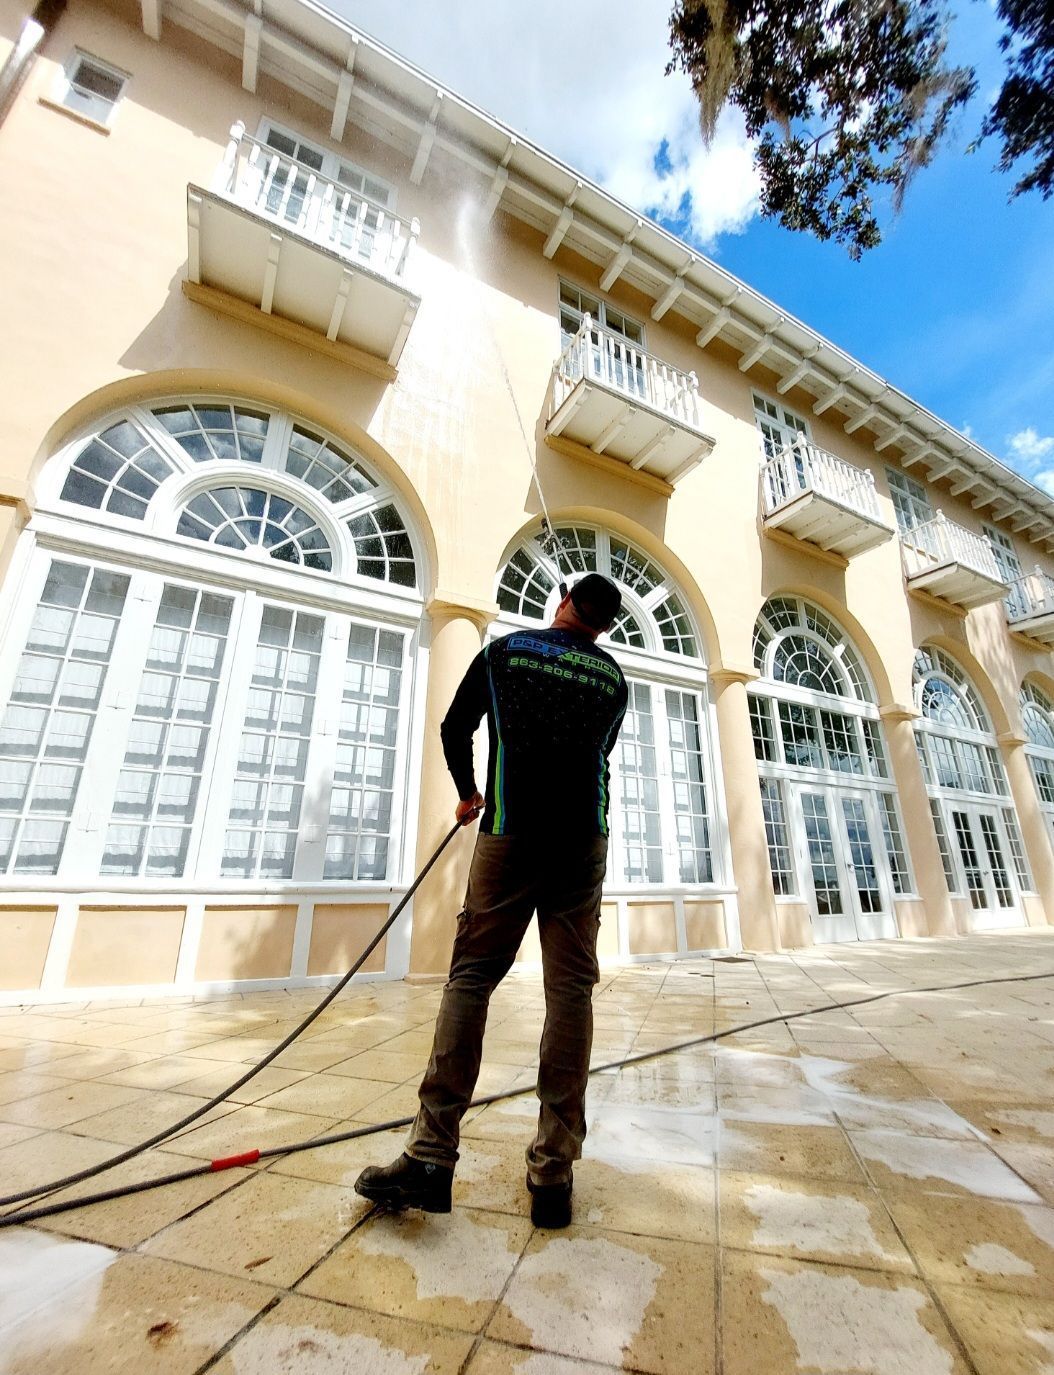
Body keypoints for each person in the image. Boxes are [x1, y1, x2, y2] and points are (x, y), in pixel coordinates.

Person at [355, 572, 628, 1228]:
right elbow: (597, 752)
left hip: (508, 833)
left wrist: (469, 790)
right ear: (605, 624)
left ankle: (430, 1156)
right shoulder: (614, 678)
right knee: (571, 992)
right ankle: (554, 1173)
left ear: (564, 600)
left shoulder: (505, 651)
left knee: (471, 979)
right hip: (582, 839)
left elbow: (457, 725)